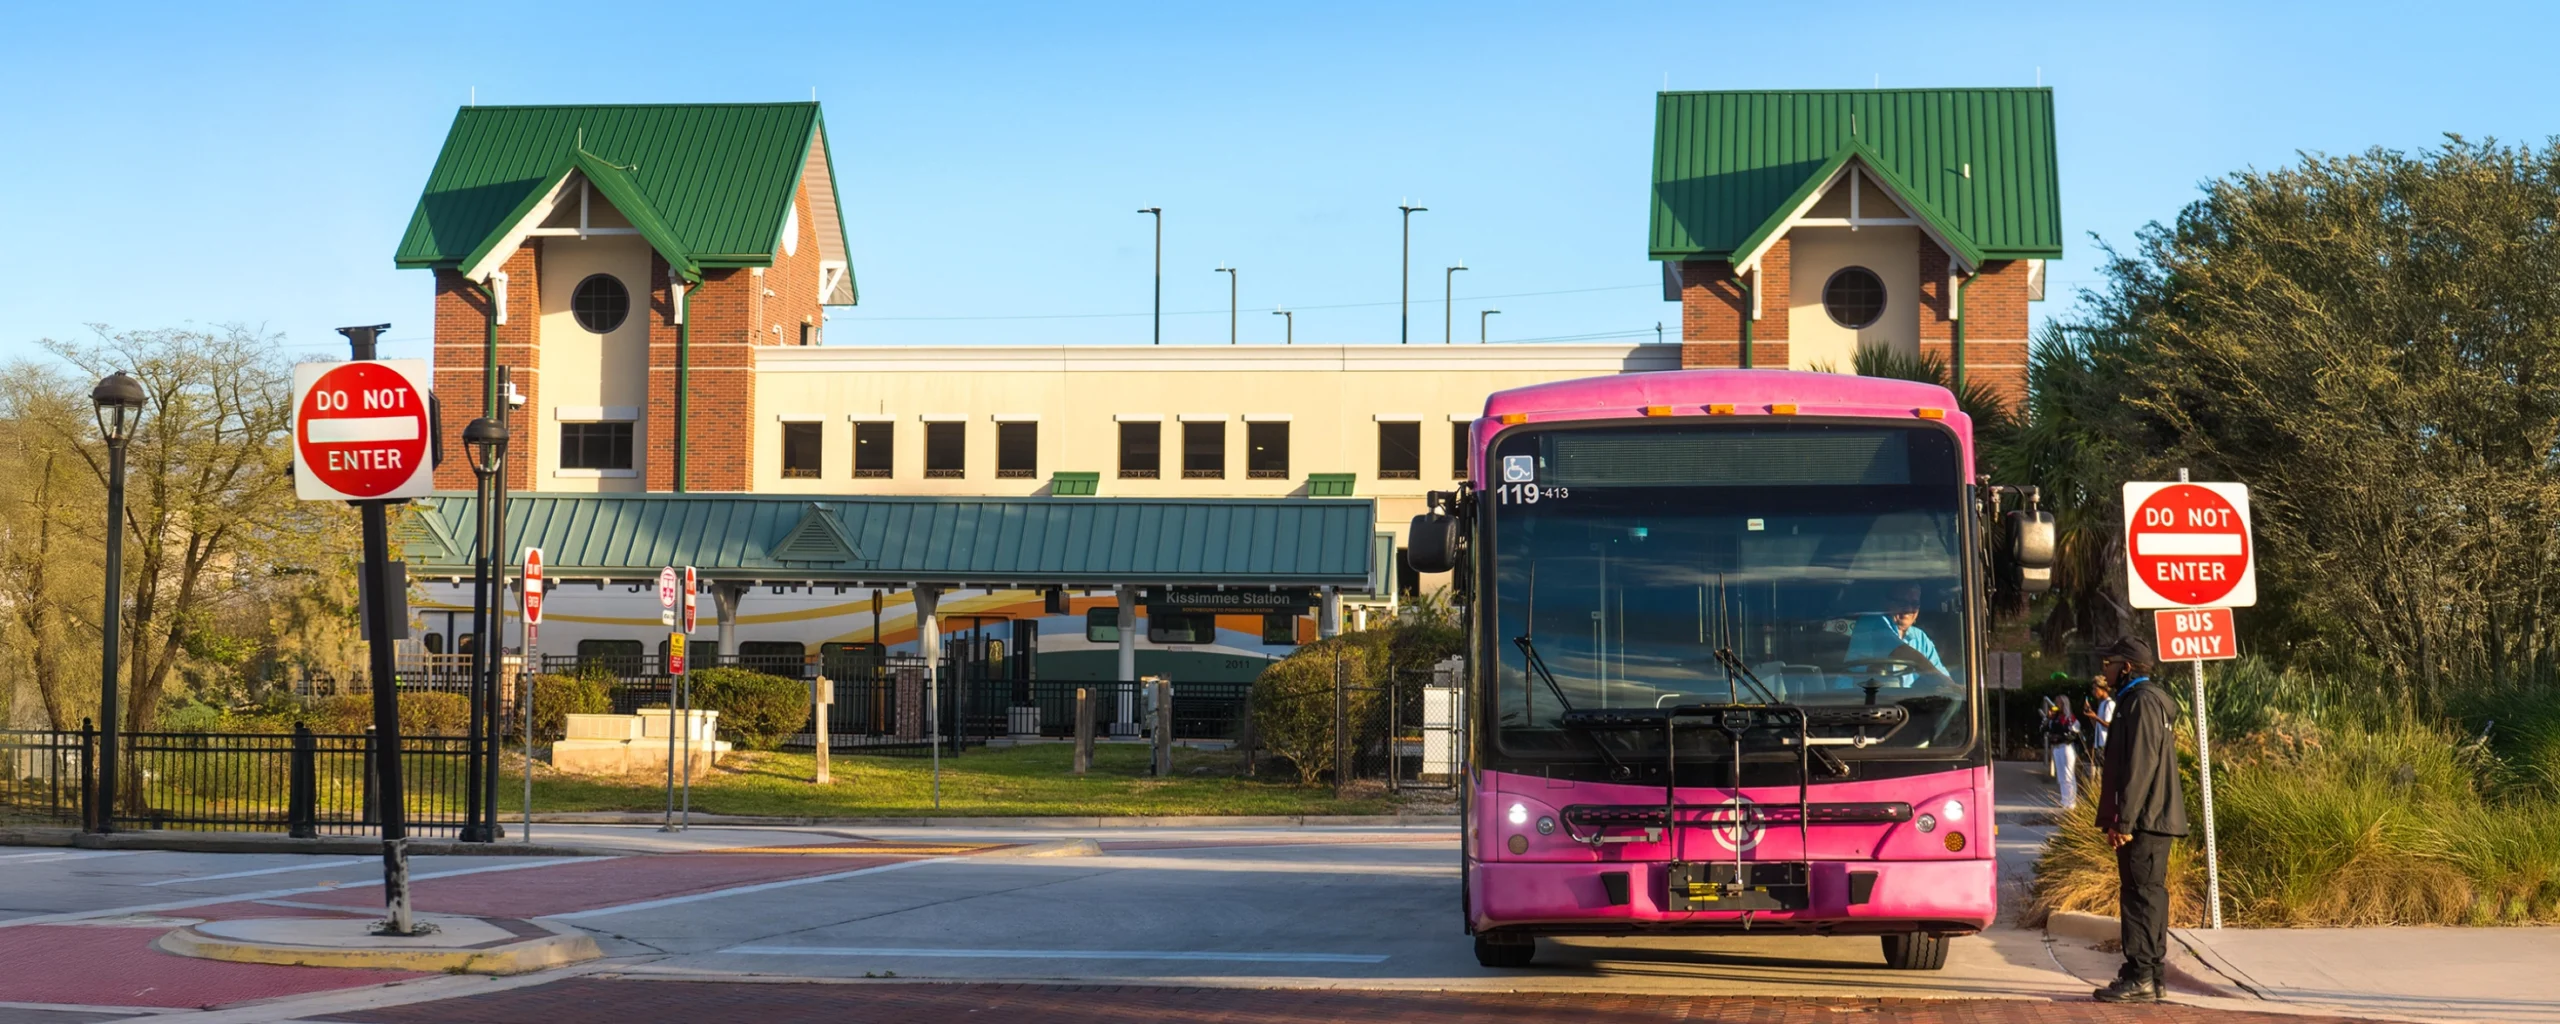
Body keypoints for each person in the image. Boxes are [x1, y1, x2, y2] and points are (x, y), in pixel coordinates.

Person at [2092, 636, 2188, 1004]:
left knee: (2141, 897)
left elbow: (2140, 766)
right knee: (2145, 895)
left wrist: (2125, 821)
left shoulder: (2142, 703)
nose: (2106, 670)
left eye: (2110, 664)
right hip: (2147, 818)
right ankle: (2148, 975)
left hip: (2146, 821)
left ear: (2127, 667)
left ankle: (2142, 977)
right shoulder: (2139, 701)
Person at [1844, 584, 1949, 685]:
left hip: (1903, 701)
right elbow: (1903, 653)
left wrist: (1950, 688)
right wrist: (1949, 685)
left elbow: (1938, 674)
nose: (1908, 609)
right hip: (1853, 699)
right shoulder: (1871, 622)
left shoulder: (1920, 637)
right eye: (1902, 603)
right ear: (1887, 603)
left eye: (1914, 604)